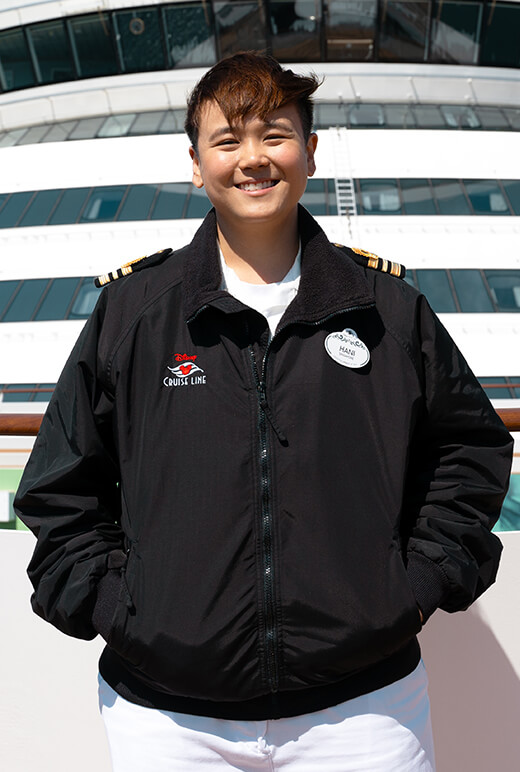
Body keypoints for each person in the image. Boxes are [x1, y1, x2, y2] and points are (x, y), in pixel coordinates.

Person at [15, 53, 513, 771]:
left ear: (310, 152)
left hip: (365, 709)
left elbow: (469, 450)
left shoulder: (389, 309)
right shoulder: (135, 313)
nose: (253, 159)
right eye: (228, 141)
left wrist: (411, 588)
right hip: (166, 715)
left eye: (275, 135)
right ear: (196, 164)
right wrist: (117, 608)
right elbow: (62, 481)